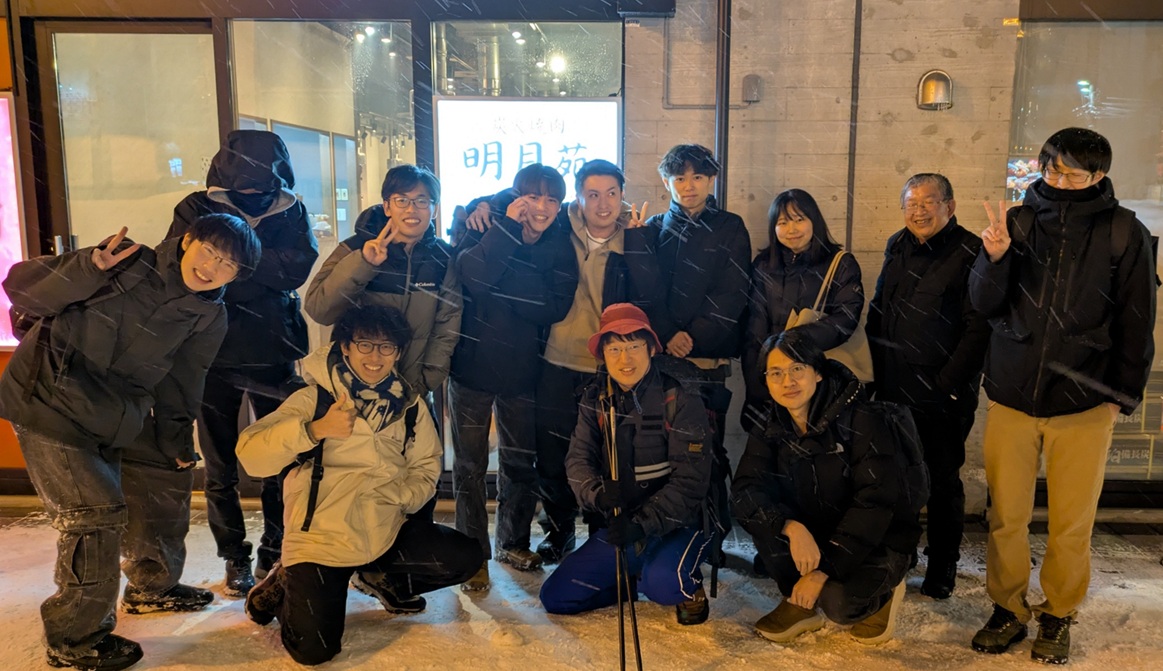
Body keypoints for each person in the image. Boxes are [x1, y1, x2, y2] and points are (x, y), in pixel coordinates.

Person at [0, 214, 261, 671]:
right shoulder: (124, 262)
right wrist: (87, 266)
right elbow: (21, 289)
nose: (212, 267)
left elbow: (183, 381)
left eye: (227, 264)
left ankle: (152, 586)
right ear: (188, 240)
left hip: (116, 410)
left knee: (165, 474)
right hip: (47, 399)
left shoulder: (209, 316)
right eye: (209, 251)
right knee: (95, 513)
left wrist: (176, 444)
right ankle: (74, 635)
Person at [969, 128, 1156, 665]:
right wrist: (994, 258)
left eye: (1073, 172)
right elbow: (983, 303)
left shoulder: (1124, 231)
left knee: (1071, 523)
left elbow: (1137, 320)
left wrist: (1120, 396)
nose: (1059, 179)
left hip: (1084, 400)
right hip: (1012, 393)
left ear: (1099, 175)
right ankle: (1007, 608)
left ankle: (1058, 614)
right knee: (1006, 517)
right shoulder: (1019, 222)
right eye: (1052, 168)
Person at [237, 304, 482, 666]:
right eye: (365, 344)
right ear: (346, 347)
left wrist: (400, 498)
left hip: (383, 527)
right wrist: (314, 430)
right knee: (314, 651)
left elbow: (426, 465)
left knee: (465, 557)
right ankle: (285, 581)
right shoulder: (316, 398)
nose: (375, 357)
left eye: (386, 347)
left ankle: (378, 578)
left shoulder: (408, 405)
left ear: (397, 353)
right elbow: (252, 456)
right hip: (322, 539)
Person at [465, 159, 659, 566]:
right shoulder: (560, 226)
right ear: (578, 199)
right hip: (556, 360)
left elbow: (651, 294)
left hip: (608, 367)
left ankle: (601, 538)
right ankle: (560, 532)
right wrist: (481, 203)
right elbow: (523, 200)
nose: (603, 204)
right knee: (551, 458)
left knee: (606, 457)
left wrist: (639, 243)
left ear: (622, 196)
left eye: (611, 194)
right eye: (593, 194)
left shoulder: (636, 238)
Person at [167, 129, 319, 595]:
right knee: (219, 467)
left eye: (260, 180)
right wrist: (263, 270)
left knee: (281, 457)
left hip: (274, 353)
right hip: (210, 353)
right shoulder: (196, 207)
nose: (252, 189)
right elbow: (181, 268)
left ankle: (276, 548)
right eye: (243, 180)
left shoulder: (291, 208)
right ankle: (234, 557)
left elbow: (297, 269)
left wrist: (230, 266)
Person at [732, 329, 922, 646]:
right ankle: (801, 602)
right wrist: (789, 527)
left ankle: (884, 594)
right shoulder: (769, 425)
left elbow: (875, 503)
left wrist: (825, 569)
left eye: (797, 369)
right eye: (776, 373)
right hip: (815, 530)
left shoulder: (862, 419)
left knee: (839, 604)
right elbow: (744, 490)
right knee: (766, 522)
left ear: (817, 372)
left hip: (875, 538)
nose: (787, 381)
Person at [539, 303, 713, 625]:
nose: (625, 359)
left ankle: (684, 583)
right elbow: (578, 460)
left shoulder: (679, 397)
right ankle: (631, 581)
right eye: (615, 349)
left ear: (651, 348)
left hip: (680, 522)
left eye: (634, 347)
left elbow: (691, 481)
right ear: (603, 355)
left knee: (664, 585)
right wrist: (597, 494)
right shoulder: (595, 398)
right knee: (557, 597)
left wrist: (643, 523)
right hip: (625, 524)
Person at [449, 164, 579, 590]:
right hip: (471, 367)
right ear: (516, 196)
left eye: (551, 199)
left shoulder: (560, 242)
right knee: (469, 466)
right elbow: (472, 277)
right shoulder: (484, 222)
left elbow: (553, 307)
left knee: (520, 463)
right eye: (533, 197)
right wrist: (505, 231)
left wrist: (501, 280)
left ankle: (512, 541)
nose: (542, 207)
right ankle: (472, 554)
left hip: (524, 371)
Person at [865, 173, 990, 600]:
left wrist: (948, 385)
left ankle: (943, 563)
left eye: (928, 202)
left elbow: (979, 327)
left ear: (949, 206)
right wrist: (875, 374)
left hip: (942, 394)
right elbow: (879, 310)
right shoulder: (897, 244)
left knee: (940, 481)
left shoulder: (971, 250)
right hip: (894, 387)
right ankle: (901, 555)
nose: (918, 211)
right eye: (911, 203)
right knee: (897, 478)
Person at [644, 143, 751, 560]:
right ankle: (669, 533)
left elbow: (733, 292)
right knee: (663, 449)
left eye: (698, 177)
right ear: (666, 181)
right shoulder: (654, 227)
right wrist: (668, 334)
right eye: (679, 177)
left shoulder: (730, 226)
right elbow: (647, 289)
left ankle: (712, 536)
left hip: (708, 359)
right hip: (663, 358)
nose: (689, 186)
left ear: (712, 180)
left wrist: (692, 336)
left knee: (708, 449)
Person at [304, 164, 461, 399]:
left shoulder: (443, 257)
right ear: (387, 206)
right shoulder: (354, 248)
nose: (411, 209)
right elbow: (319, 310)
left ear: (435, 209)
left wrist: (427, 380)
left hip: (413, 389)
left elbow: (447, 325)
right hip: (353, 388)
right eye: (401, 200)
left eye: (421, 201)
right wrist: (364, 263)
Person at [741, 189, 864, 435]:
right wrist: (758, 384)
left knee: (822, 441)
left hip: (822, 377)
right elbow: (754, 328)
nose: (792, 229)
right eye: (782, 222)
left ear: (814, 221)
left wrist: (791, 345)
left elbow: (845, 319)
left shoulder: (840, 263)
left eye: (799, 219)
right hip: (775, 380)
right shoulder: (763, 266)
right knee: (775, 443)